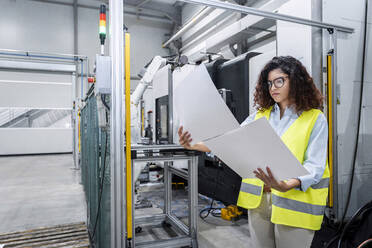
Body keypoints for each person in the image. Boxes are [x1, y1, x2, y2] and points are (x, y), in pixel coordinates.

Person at [178, 56, 329, 248]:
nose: (273, 87)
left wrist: (286, 184)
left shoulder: (315, 118)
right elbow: (231, 141)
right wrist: (195, 145)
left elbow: (315, 166)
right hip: (259, 202)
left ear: (296, 80)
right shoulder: (260, 115)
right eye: (269, 83)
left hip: (293, 203)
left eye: (279, 81)